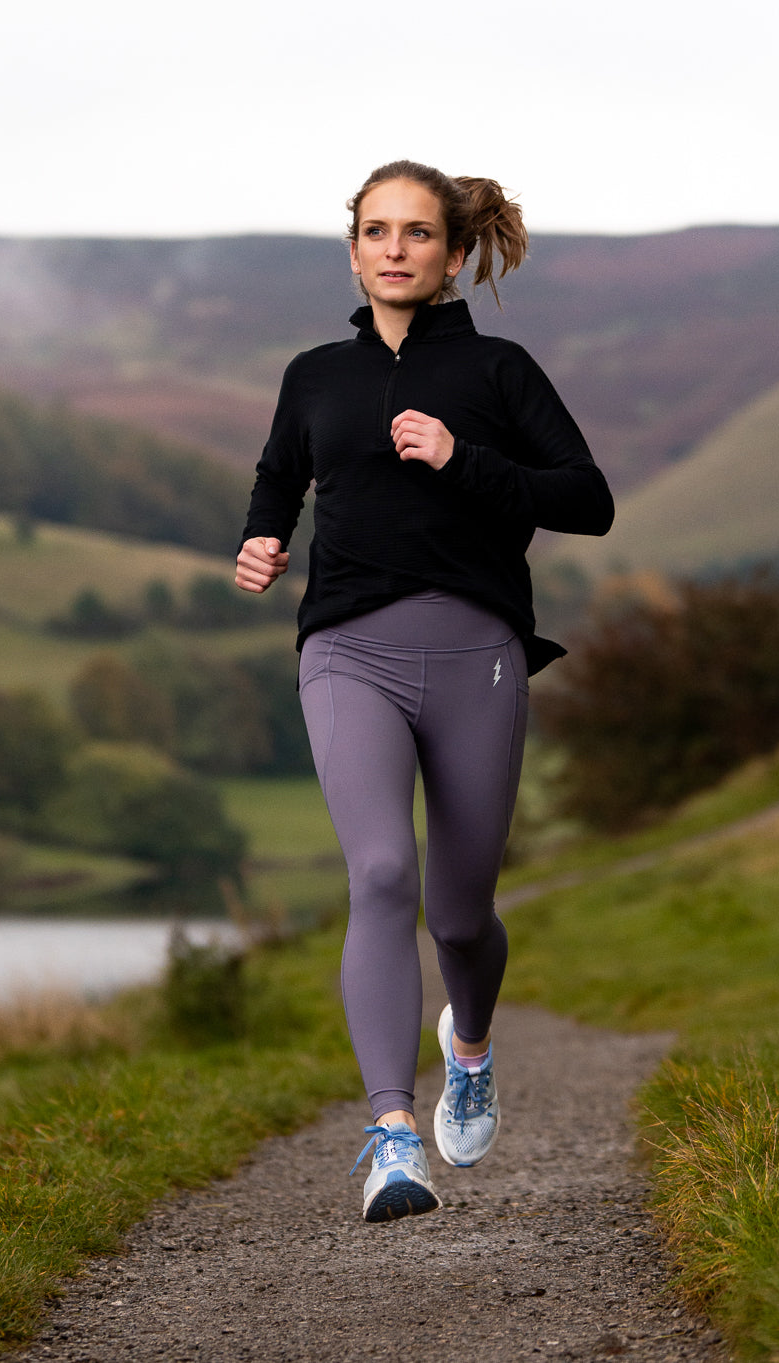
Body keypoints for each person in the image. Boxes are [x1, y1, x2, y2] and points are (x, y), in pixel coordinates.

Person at [234, 159, 614, 1222]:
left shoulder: (498, 372)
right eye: (373, 230)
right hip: (346, 648)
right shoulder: (315, 372)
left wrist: (464, 460)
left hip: (476, 656)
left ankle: (471, 1043)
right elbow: (280, 471)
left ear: (451, 254)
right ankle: (392, 1133)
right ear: (352, 249)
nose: (393, 247)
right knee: (383, 870)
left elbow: (587, 499)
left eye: (415, 232)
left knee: (458, 914)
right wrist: (264, 534)